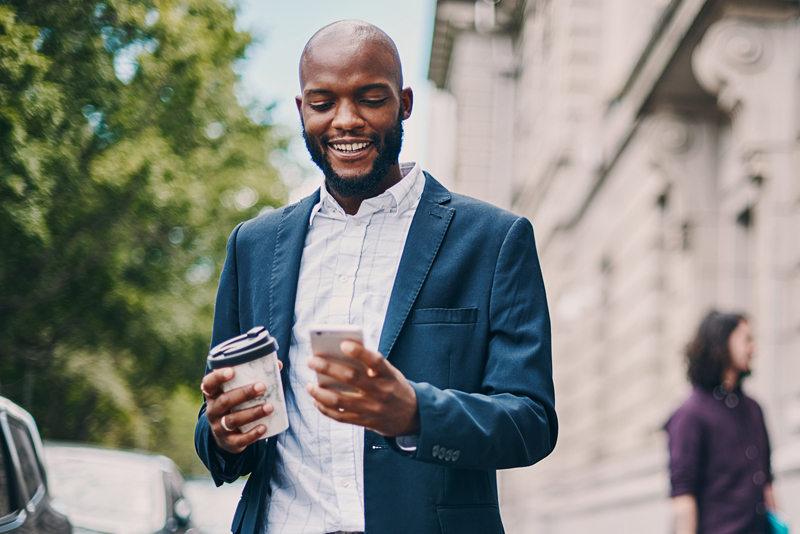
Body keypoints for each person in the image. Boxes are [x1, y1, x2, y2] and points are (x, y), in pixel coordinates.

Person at [195, 20, 557, 534]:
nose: (346, 121)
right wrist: (223, 433)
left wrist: (415, 412)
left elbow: (532, 422)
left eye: (370, 98)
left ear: (404, 103)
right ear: (302, 110)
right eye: (323, 103)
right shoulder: (253, 246)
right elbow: (217, 428)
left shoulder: (493, 240)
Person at [666, 310, 778, 534]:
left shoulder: (754, 408)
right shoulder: (690, 414)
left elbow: (766, 481)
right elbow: (682, 494)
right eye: (746, 339)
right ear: (722, 344)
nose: (753, 347)